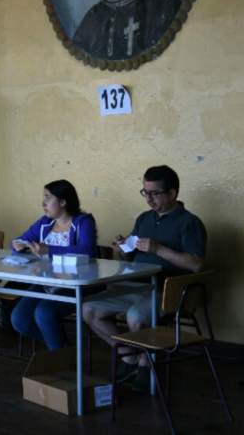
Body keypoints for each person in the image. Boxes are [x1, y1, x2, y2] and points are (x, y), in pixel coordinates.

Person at [82, 165, 206, 390]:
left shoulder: (190, 223)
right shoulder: (144, 219)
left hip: (167, 290)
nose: (148, 199)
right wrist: (123, 248)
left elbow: (196, 264)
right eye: (145, 192)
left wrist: (158, 249)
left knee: (135, 316)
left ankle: (145, 364)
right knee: (89, 309)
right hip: (135, 285)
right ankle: (129, 356)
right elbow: (130, 257)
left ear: (172, 193)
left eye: (155, 193)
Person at [9, 180, 97, 351]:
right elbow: (19, 240)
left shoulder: (83, 222)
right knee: (19, 319)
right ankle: (61, 349)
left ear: (63, 202)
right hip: (47, 282)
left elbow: (86, 250)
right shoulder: (44, 223)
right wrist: (18, 245)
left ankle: (59, 355)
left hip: (75, 284)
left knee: (44, 312)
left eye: (48, 198)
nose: (43, 203)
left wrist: (49, 249)